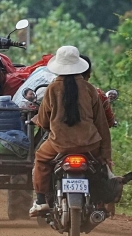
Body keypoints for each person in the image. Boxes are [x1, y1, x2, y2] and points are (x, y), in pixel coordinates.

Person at [29, 45, 112, 216]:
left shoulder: (52, 88)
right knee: (99, 166)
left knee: (41, 158)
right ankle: (101, 202)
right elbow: (102, 124)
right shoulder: (90, 89)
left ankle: (41, 201)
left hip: (59, 145)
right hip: (90, 144)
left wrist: (46, 124)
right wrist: (105, 154)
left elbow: (43, 121)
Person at [80, 55, 116, 128]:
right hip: (90, 134)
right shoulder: (98, 94)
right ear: (89, 74)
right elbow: (109, 121)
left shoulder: (56, 92)